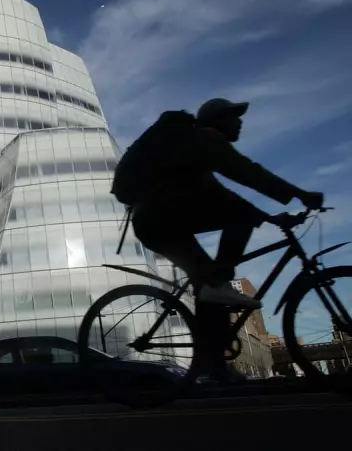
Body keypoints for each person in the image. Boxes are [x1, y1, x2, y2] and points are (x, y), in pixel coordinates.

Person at [111, 98, 324, 379]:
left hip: (159, 220)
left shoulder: (190, 157)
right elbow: (246, 171)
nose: (240, 123)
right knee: (216, 276)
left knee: (209, 287)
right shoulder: (205, 138)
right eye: (234, 117)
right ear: (218, 120)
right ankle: (217, 288)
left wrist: (272, 218)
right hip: (160, 218)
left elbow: (225, 197)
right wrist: (299, 193)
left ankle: (210, 360)